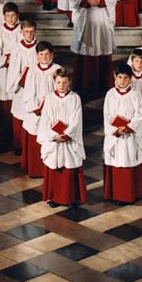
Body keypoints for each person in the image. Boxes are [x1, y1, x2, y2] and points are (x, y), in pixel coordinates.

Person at [70, 0, 117, 94]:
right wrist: (86, 1)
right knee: (85, 49)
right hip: (85, 16)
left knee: (101, 48)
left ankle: (104, 86)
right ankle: (84, 86)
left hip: (102, 17)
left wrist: (101, 0)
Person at [37, 68, 87, 207]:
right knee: (54, 168)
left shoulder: (75, 98)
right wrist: (54, 136)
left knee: (68, 169)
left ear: (69, 82)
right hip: (54, 140)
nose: (61, 85)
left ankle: (69, 198)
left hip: (68, 139)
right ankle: (54, 198)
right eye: (58, 82)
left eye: (64, 82)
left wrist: (66, 134)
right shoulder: (49, 98)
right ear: (54, 82)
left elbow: (77, 120)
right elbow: (45, 119)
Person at [103, 62, 142, 204]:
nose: (122, 81)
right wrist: (116, 129)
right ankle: (117, 194)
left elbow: (139, 114)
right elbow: (107, 115)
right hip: (116, 136)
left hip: (130, 136)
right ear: (115, 76)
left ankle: (132, 193)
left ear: (131, 78)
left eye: (125, 78)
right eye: (119, 77)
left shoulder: (135, 95)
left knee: (129, 162)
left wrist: (129, 127)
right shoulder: (110, 94)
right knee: (117, 163)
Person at [21, 42, 62, 177]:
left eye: (47, 54)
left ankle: (49, 170)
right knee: (35, 138)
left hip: (52, 112)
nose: (44, 57)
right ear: (37, 56)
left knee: (49, 139)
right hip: (35, 112)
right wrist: (37, 109)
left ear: (52, 54)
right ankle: (35, 170)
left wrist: (49, 108)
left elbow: (61, 92)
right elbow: (28, 93)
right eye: (41, 54)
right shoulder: (32, 70)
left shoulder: (58, 70)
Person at [0, 2, 21, 131]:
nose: (11, 18)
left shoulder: (21, 29)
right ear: (4, 16)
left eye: (13, 15)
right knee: (3, 94)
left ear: (17, 16)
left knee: (15, 93)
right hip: (5, 67)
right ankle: (2, 124)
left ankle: (14, 124)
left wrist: (17, 59)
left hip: (17, 65)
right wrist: (6, 60)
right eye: (8, 16)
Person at [8, 19, 38, 152]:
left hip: (35, 88)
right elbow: (13, 69)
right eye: (26, 31)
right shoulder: (17, 48)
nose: (29, 34)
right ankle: (19, 145)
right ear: (21, 32)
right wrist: (21, 78)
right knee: (20, 115)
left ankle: (30, 147)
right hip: (21, 87)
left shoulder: (40, 47)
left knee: (32, 116)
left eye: (31, 31)